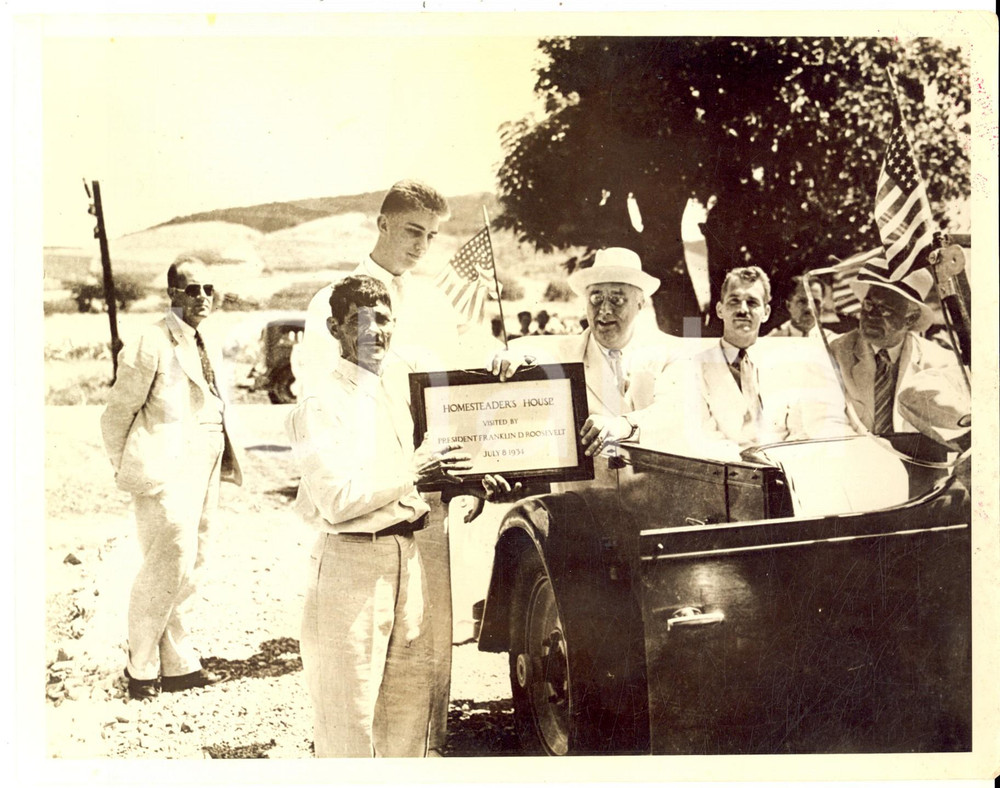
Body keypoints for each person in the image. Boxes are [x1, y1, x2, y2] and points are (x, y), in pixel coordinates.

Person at [295, 179, 530, 755]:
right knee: (354, 685)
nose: (421, 245)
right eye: (411, 231)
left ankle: (424, 756)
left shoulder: (432, 299)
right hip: (363, 509)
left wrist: (495, 368)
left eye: (431, 235)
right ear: (382, 223)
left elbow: (460, 387)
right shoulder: (332, 299)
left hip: (429, 500)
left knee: (421, 657)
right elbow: (335, 414)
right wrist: (411, 469)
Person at [286, 276, 473, 757]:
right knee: (350, 717)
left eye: (383, 320)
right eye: (358, 322)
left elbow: (419, 473)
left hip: (406, 557)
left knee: (407, 713)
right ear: (334, 328)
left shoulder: (395, 389)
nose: (374, 332)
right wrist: (416, 468)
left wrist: (473, 478)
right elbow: (338, 498)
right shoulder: (319, 403)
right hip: (352, 564)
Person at [100, 255, 242, 700]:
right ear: (172, 294)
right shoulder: (150, 341)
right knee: (168, 562)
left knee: (194, 563)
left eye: (208, 290)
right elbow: (117, 412)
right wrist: (131, 466)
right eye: (192, 289)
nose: (202, 297)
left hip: (206, 463)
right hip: (165, 471)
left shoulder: (207, 341)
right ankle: (139, 667)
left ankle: (178, 663)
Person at [656, 266, 852, 460]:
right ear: (720, 309)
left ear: (765, 312)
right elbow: (700, 435)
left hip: (786, 470)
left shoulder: (784, 365)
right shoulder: (693, 367)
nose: (743, 310)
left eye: (752, 303)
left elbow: (801, 425)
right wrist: (748, 458)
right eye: (734, 301)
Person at [828, 264, 970, 448]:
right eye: (868, 304)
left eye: (885, 309)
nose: (871, 315)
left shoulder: (942, 363)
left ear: (910, 319)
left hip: (921, 469)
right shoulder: (834, 352)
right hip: (855, 461)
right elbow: (825, 422)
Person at [766, 275, 840, 339]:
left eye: (816, 302)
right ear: (788, 306)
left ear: (822, 307)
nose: (809, 307)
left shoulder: (832, 341)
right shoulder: (773, 340)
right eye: (802, 301)